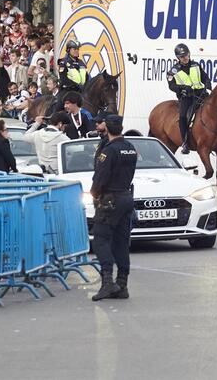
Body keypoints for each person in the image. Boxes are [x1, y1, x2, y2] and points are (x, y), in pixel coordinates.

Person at [90, 115, 137, 301]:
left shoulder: (108, 151)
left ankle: (108, 281)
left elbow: (100, 177)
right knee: (121, 242)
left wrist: (94, 193)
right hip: (126, 197)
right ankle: (122, 284)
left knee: (101, 238)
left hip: (110, 199)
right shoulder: (130, 148)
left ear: (107, 129)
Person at [166, 44, 211, 154]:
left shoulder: (196, 65)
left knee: (216, 107)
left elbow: (204, 77)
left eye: (186, 55)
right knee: (182, 117)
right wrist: (183, 89)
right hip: (187, 97)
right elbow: (172, 86)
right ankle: (185, 142)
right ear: (178, 58)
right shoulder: (173, 71)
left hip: (200, 94)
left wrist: (207, 83)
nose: (185, 58)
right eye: (182, 57)